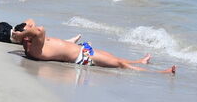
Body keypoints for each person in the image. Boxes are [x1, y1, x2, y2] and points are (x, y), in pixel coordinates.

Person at [20, 23, 176, 73]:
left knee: (117, 59)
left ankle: (140, 62)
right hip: (84, 58)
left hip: (83, 49)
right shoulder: (34, 49)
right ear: (27, 37)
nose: (32, 27)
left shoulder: (37, 45)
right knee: (121, 65)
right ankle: (161, 73)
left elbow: (58, 45)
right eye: (28, 29)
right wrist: (20, 34)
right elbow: (40, 29)